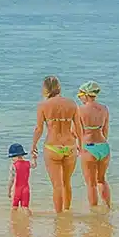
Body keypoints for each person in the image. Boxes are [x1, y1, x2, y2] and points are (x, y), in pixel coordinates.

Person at [31, 75, 80, 213]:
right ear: (59, 88)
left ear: (46, 89)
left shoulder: (43, 106)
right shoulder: (71, 103)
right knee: (67, 183)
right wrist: (81, 145)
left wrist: (33, 145)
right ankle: (67, 211)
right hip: (70, 146)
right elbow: (79, 127)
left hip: (52, 147)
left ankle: (59, 217)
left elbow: (39, 128)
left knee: (57, 186)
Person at [77, 81, 112, 210]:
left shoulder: (80, 110)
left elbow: (76, 131)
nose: (79, 97)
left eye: (80, 94)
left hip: (88, 147)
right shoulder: (104, 109)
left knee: (91, 184)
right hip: (103, 146)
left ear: (85, 95)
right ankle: (108, 208)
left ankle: (94, 213)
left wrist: (79, 147)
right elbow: (105, 130)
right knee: (102, 180)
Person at [7, 142, 33, 211]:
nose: (12, 159)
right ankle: (29, 220)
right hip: (26, 189)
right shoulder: (28, 163)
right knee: (25, 208)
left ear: (15, 156)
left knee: (14, 207)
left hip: (16, 190)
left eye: (12, 157)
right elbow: (34, 165)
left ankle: (14, 221)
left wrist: (9, 191)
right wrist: (34, 158)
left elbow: (11, 180)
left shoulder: (13, 165)